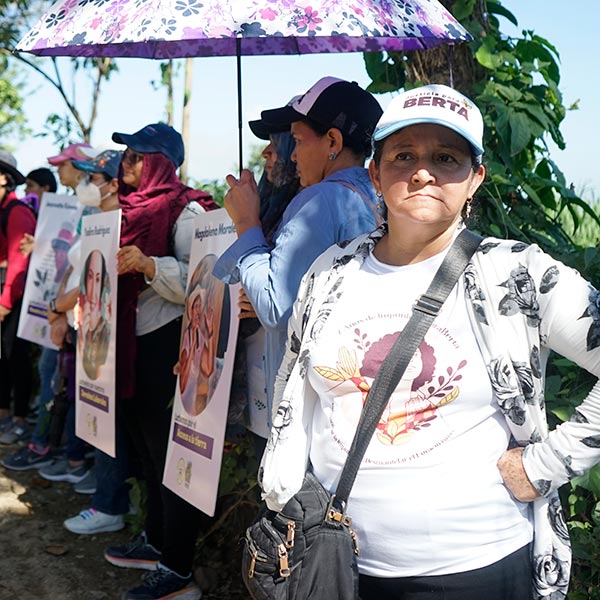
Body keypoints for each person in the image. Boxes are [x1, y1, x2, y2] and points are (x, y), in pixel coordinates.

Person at [259, 84, 600, 600]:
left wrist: (545, 464)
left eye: (446, 157)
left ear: (475, 178)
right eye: (403, 156)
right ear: (375, 172)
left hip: (478, 569)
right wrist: (283, 491)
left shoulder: (517, 275)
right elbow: (294, 392)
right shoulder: (329, 274)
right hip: (338, 568)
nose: (423, 172)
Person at [214, 77, 384, 434]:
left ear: (333, 142)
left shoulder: (319, 201)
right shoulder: (377, 194)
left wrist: (247, 222)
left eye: (300, 140)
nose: (292, 154)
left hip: (306, 405)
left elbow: (276, 307)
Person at [97, 123, 218, 600]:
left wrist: (149, 265)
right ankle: (155, 539)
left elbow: (206, 281)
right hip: (129, 346)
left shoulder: (188, 210)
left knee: (173, 458)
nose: (125, 162)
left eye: (136, 154)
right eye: (125, 154)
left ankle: (178, 567)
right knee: (147, 452)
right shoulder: (123, 211)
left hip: (167, 347)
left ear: (160, 161)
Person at [226, 113, 301, 449]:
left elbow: (279, 300)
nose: (265, 154)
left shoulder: (310, 211)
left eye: (276, 145)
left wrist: (246, 222)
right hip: (260, 373)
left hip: (289, 385)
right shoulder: (270, 205)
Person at [0, 150, 36, 445]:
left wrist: (5, 301)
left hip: (14, 294)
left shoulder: (17, 212)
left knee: (16, 357)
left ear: (4, 179)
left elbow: (18, 261)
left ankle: (21, 419)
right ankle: (4, 415)